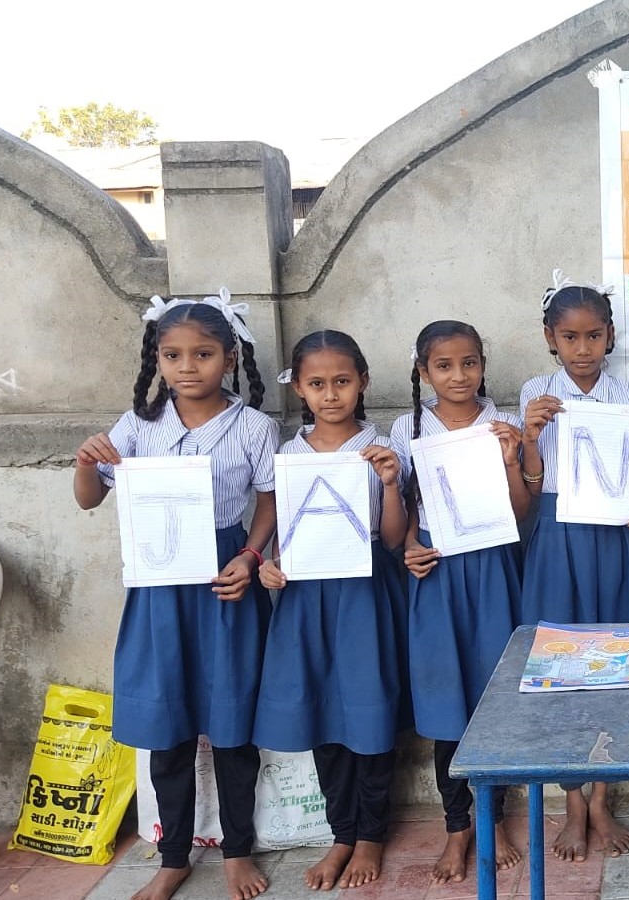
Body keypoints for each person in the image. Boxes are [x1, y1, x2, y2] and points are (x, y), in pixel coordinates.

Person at [72, 290, 275, 900]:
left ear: (231, 357)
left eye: (204, 354)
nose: (188, 367)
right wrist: (86, 463)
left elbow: (267, 501)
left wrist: (250, 555)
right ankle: (173, 855)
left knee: (233, 727)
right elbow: (90, 497)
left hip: (224, 584)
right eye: (173, 355)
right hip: (160, 592)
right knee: (169, 729)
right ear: (157, 360)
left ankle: (238, 850)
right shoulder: (137, 427)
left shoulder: (254, 427)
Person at [251, 330, 404, 891]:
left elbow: (392, 539)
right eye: (317, 384)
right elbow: (283, 537)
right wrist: (269, 566)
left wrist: (390, 484)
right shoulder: (287, 456)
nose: (331, 394)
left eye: (342, 381)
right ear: (299, 389)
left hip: (365, 595)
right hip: (306, 600)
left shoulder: (382, 447)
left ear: (362, 381)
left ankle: (370, 836)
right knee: (321, 712)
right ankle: (342, 832)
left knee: (369, 708)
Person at [518, 270, 629, 862]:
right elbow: (528, 486)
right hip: (556, 538)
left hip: (612, 543)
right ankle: (571, 799)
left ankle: (601, 797)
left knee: (616, 660)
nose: (583, 350)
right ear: (551, 337)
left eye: (595, 337)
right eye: (570, 338)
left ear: (610, 337)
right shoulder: (534, 394)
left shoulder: (628, 397)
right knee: (558, 665)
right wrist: (529, 436)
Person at [391, 320, 530, 883]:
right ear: (423, 372)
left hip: (493, 569)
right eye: (444, 366)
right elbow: (396, 508)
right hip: (436, 573)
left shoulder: (503, 424)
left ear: (482, 366)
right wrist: (406, 545)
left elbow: (521, 513)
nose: (458, 375)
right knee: (446, 703)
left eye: (469, 363)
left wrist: (512, 460)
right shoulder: (408, 427)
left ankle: (493, 819)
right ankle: (457, 827)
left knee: (491, 696)